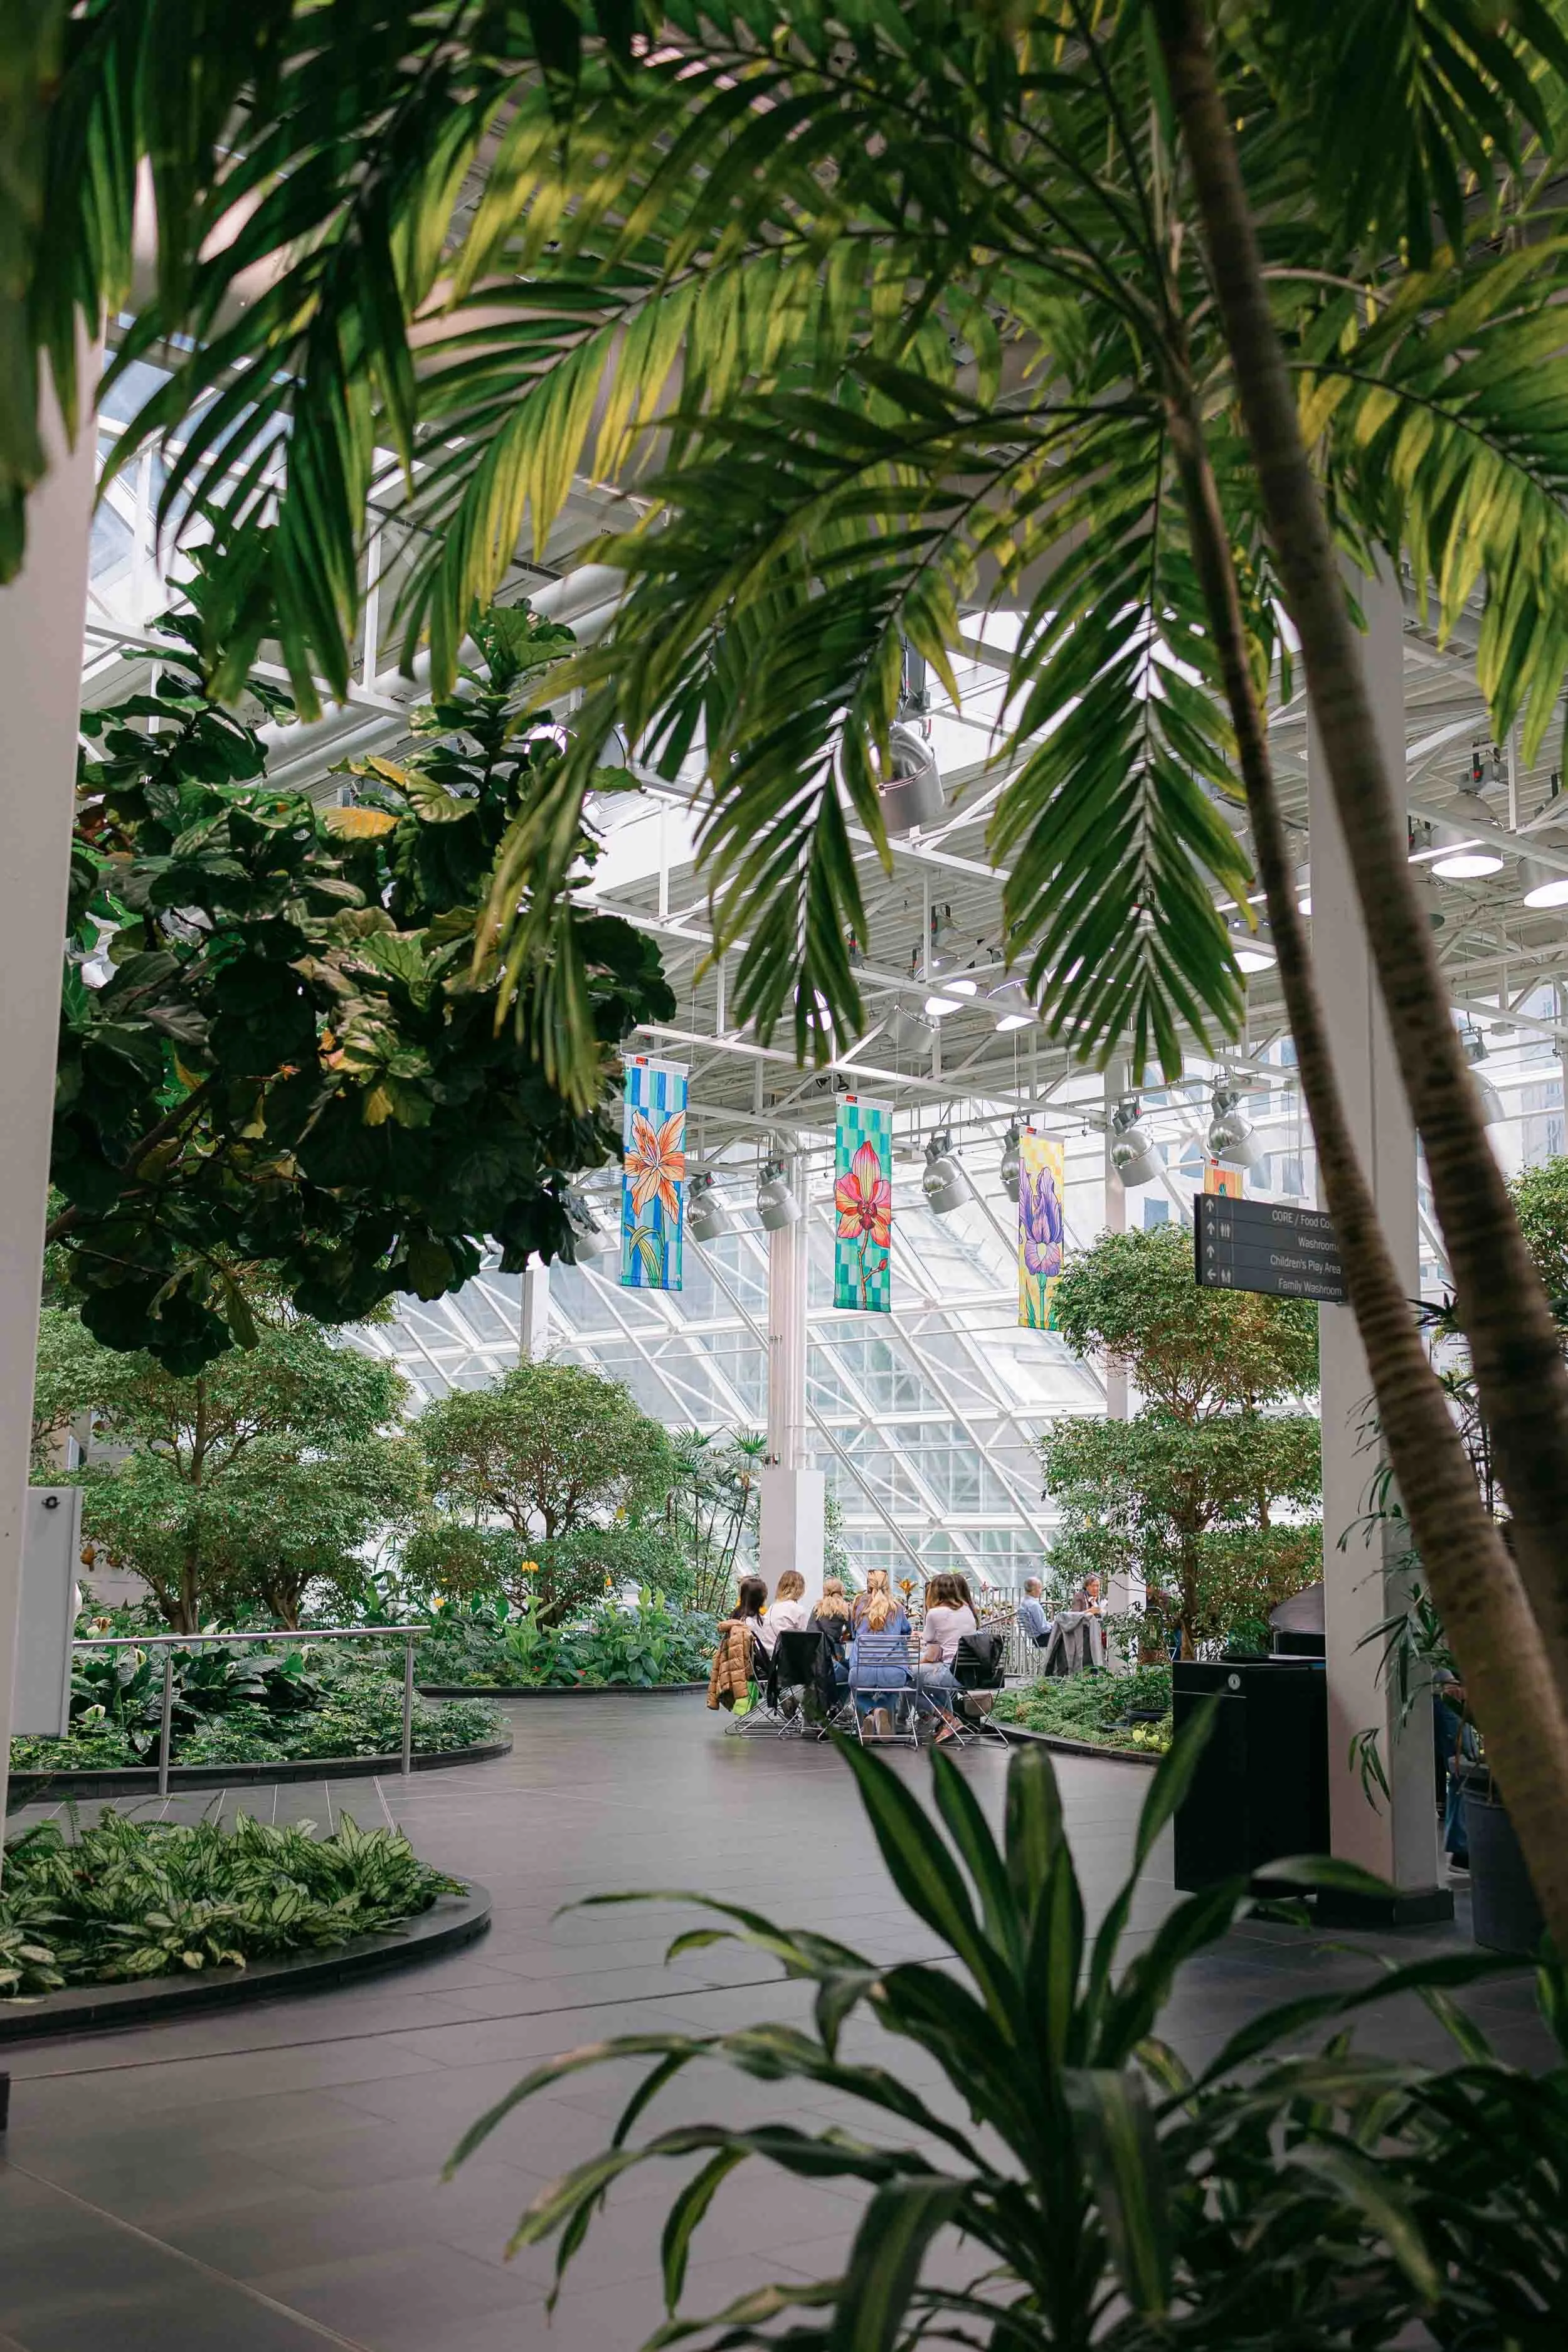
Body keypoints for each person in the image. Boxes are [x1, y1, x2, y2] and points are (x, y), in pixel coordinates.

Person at [918, 1573, 978, 1744]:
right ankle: (948, 1722)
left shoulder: (935, 1613)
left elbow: (931, 1654)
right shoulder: (967, 1609)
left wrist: (915, 1663)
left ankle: (948, 1719)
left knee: (908, 1677)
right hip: (971, 1672)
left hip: (951, 1672)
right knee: (932, 1681)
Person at [847, 1587, 913, 1738]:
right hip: (893, 1673)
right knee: (894, 1691)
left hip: (862, 1672)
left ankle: (871, 1711)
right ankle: (881, 1709)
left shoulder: (858, 1607)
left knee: (855, 1690)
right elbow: (907, 1632)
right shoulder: (898, 1607)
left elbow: (853, 1633)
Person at [809, 1579, 854, 1693]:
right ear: (842, 1591)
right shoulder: (844, 1608)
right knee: (851, 1677)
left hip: (812, 1658)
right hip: (832, 1657)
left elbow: (810, 1631)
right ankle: (838, 1706)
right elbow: (852, 1631)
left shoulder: (817, 1608)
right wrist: (843, 1635)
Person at [765, 1569, 811, 1641]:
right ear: (800, 1589)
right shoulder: (798, 1610)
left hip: (768, 1651)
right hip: (787, 1651)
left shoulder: (772, 1607)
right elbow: (807, 1638)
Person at [1016, 1578, 1053, 1648]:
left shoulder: (1024, 1604)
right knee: (1067, 1636)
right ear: (1033, 1590)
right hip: (1043, 1639)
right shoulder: (1034, 1605)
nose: (1041, 1591)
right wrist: (1055, 1626)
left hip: (1035, 1639)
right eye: (1039, 1588)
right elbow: (1043, 1629)